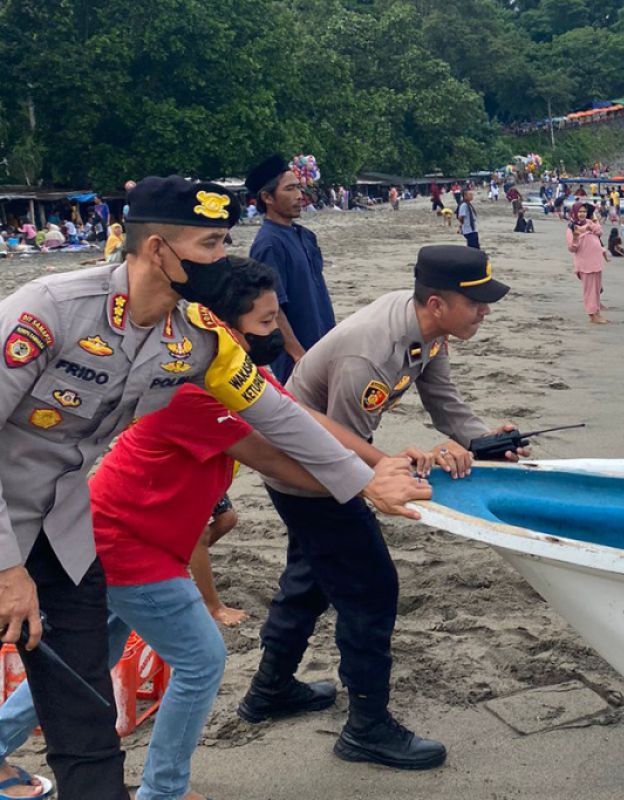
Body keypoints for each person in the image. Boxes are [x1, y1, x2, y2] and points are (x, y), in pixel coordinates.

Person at [0, 176, 424, 800]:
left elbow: (275, 415)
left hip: (67, 527)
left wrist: (363, 478)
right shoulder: (50, 308)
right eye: (209, 243)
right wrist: (9, 569)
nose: (221, 260)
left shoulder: (197, 335)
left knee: (84, 709)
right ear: (155, 250)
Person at [241, 245, 524, 771]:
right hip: (308, 474)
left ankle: (269, 691)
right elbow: (342, 446)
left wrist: (483, 440)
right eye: (477, 302)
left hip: (328, 461)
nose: (486, 311)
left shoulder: (429, 331)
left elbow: (444, 401)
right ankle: (367, 729)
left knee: (310, 578)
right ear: (437, 303)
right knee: (370, 588)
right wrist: (388, 475)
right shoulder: (370, 354)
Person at [246, 154, 337, 384]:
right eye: (289, 189)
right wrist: (298, 354)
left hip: (323, 342)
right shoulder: (268, 244)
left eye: (299, 188)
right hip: (297, 357)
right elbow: (273, 308)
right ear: (267, 197)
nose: (299, 196)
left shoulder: (305, 236)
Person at [567, 205, 609, 325]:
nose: (582, 214)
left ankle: (597, 312)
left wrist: (590, 225)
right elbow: (572, 248)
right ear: (575, 213)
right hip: (585, 263)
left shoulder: (590, 222)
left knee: (596, 290)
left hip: (596, 261)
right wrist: (576, 237)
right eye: (579, 211)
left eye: (584, 211)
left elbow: (600, 231)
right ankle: (592, 315)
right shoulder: (571, 228)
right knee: (589, 290)